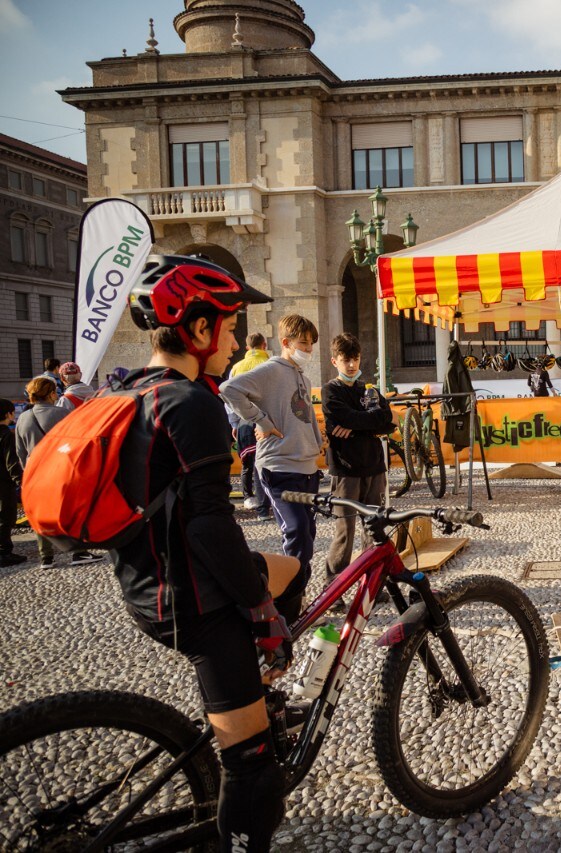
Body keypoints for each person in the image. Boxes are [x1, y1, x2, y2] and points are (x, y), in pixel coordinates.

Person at [118, 253, 297, 851]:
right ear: (198, 330)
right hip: (195, 598)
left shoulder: (133, 392)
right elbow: (210, 530)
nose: (235, 340)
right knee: (254, 773)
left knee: (292, 567)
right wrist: (262, 615)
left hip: (148, 584)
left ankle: (258, 691)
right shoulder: (192, 402)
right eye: (230, 324)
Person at [222, 315, 324, 584]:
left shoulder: (300, 375)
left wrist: (317, 443)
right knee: (297, 531)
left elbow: (307, 413)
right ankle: (292, 598)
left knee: (307, 532)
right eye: (303, 343)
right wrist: (262, 421)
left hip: (307, 468)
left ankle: (295, 593)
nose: (309, 350)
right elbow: (229, 389)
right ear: (286, 342)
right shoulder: (270, 370)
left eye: (311, 344)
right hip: (279, 467)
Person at [321, 332, 393, 600]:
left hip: (375, 466)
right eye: (345, 359)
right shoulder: (331, 390)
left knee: (373, 529)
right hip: (346, 469)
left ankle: (371, 586)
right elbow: (342, 416)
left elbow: (387, 420)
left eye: (355, 359)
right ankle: (333, 590)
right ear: (334, 361)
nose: (351, 365)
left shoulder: (369, 389)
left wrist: (356, 426)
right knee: (345, 531)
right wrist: (371, 424)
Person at [15, 376, 97, 569]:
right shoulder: (62, 414)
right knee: (71, 510)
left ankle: (47, 558)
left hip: (35, 473)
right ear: (52, 394)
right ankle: (79, 552)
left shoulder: (23, 418)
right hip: (62, 470)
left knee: (41, 514)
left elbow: (20, 451)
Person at [228, 332, 272, 516]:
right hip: (269, 421)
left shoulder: (237, 367)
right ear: (264, 345)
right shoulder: (271, 366)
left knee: (249, 462)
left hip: (245, 421)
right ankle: (267, 503)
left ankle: (249, 497)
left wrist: (234, 423)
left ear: (247, 347)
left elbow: (228, 399)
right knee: (267, 462)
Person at [0, 399, 24, 567]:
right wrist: (21, 481)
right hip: (3, 483)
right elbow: (11, 462)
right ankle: (4, 552)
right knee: (5, 516)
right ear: (8, 414)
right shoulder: (6, 435)